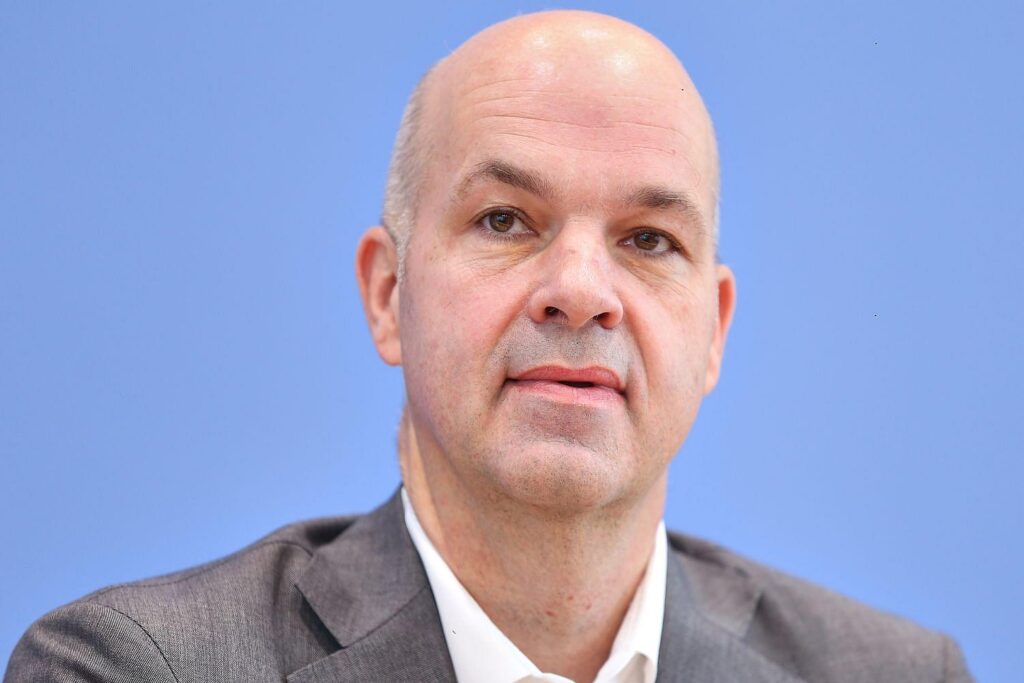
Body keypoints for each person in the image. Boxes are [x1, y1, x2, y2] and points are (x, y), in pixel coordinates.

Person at [4, 10, 973, 683]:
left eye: (648, 240)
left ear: (713, 329)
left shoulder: (897, 673)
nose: (581, 292)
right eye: (506, 219)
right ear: (389, 294)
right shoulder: (135, 666)